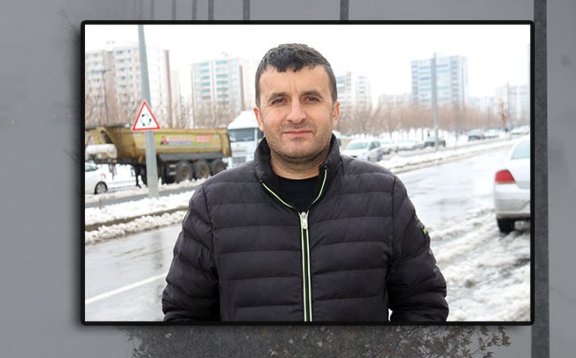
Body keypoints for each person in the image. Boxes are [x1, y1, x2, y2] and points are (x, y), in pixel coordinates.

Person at [161, 43, 448, 322]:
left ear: (334, 112)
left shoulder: (385, 195)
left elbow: (423, 305)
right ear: (260, 116)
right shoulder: (213, 203)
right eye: (279, 100)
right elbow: (184, 317)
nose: (295, 115)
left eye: (311, 98)